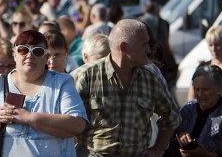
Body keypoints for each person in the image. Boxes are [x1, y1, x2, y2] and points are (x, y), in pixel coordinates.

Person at [0, 30, 87, 156]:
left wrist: (29, 117)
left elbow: (77, 124)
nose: (30, 55)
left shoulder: (62, 82)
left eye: (37, 51)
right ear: (14, 55)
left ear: (46, 57)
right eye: (23, 50)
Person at [74, 19, 180, 156]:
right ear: (124, 47)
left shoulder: (150, 78)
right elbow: (69, 124)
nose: (148, 50)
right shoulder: (86, 76)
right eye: (144, 45)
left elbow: (172, 117)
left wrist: (158, 149)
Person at [168, 65, 222, 157]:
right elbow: (170, 130)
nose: (200, 94)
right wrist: (180, 134)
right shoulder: (188, 108)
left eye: (205, 89)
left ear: (219, 88)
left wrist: (205, 155)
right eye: (197, 89)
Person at [188, 25, 222, 107]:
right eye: (210, 45)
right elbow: (191, 98)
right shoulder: (202, 67)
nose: (214, 49)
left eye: (217, 45)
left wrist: (211, 107)